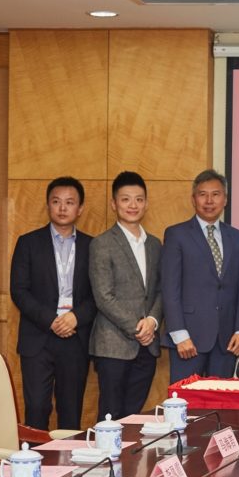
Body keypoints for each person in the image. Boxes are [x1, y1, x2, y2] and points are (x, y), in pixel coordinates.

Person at [9, 176, 97, 430]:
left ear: (80, 209)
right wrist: (51, 320)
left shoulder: (93, 246)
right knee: (36, 408)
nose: (62, 208)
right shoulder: (28, 243)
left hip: (75, 337)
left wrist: (75, 318)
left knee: (71, 412)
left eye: (70, 202)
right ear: (48, 205)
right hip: (38, 338)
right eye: (56, 202)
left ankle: (67, 469)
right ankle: (31, 467)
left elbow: (98, 295)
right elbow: (19, 290)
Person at [161, 170, 239, 382]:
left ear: (225, 200)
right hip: (188, 339)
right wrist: (179, 334)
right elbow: (169, 289)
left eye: (216, 194)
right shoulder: (176, 234)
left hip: (227, 340)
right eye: (203, 194)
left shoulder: (237, 238)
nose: (209, 201)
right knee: (185, 404)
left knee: (221, 405)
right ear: (193, 199)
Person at [88, 172, 163, 420]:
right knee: (110, 416)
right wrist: (137, 327)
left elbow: (161, 290)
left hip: (147, 346)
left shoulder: (154, 244)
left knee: (133, 417)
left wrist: (151, 322)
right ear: (114, 204)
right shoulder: (102, 244)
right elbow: (103, 296)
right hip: (114, 345)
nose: (133, 205)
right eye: (126, 199)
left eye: (139, 199)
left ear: (147, 203)